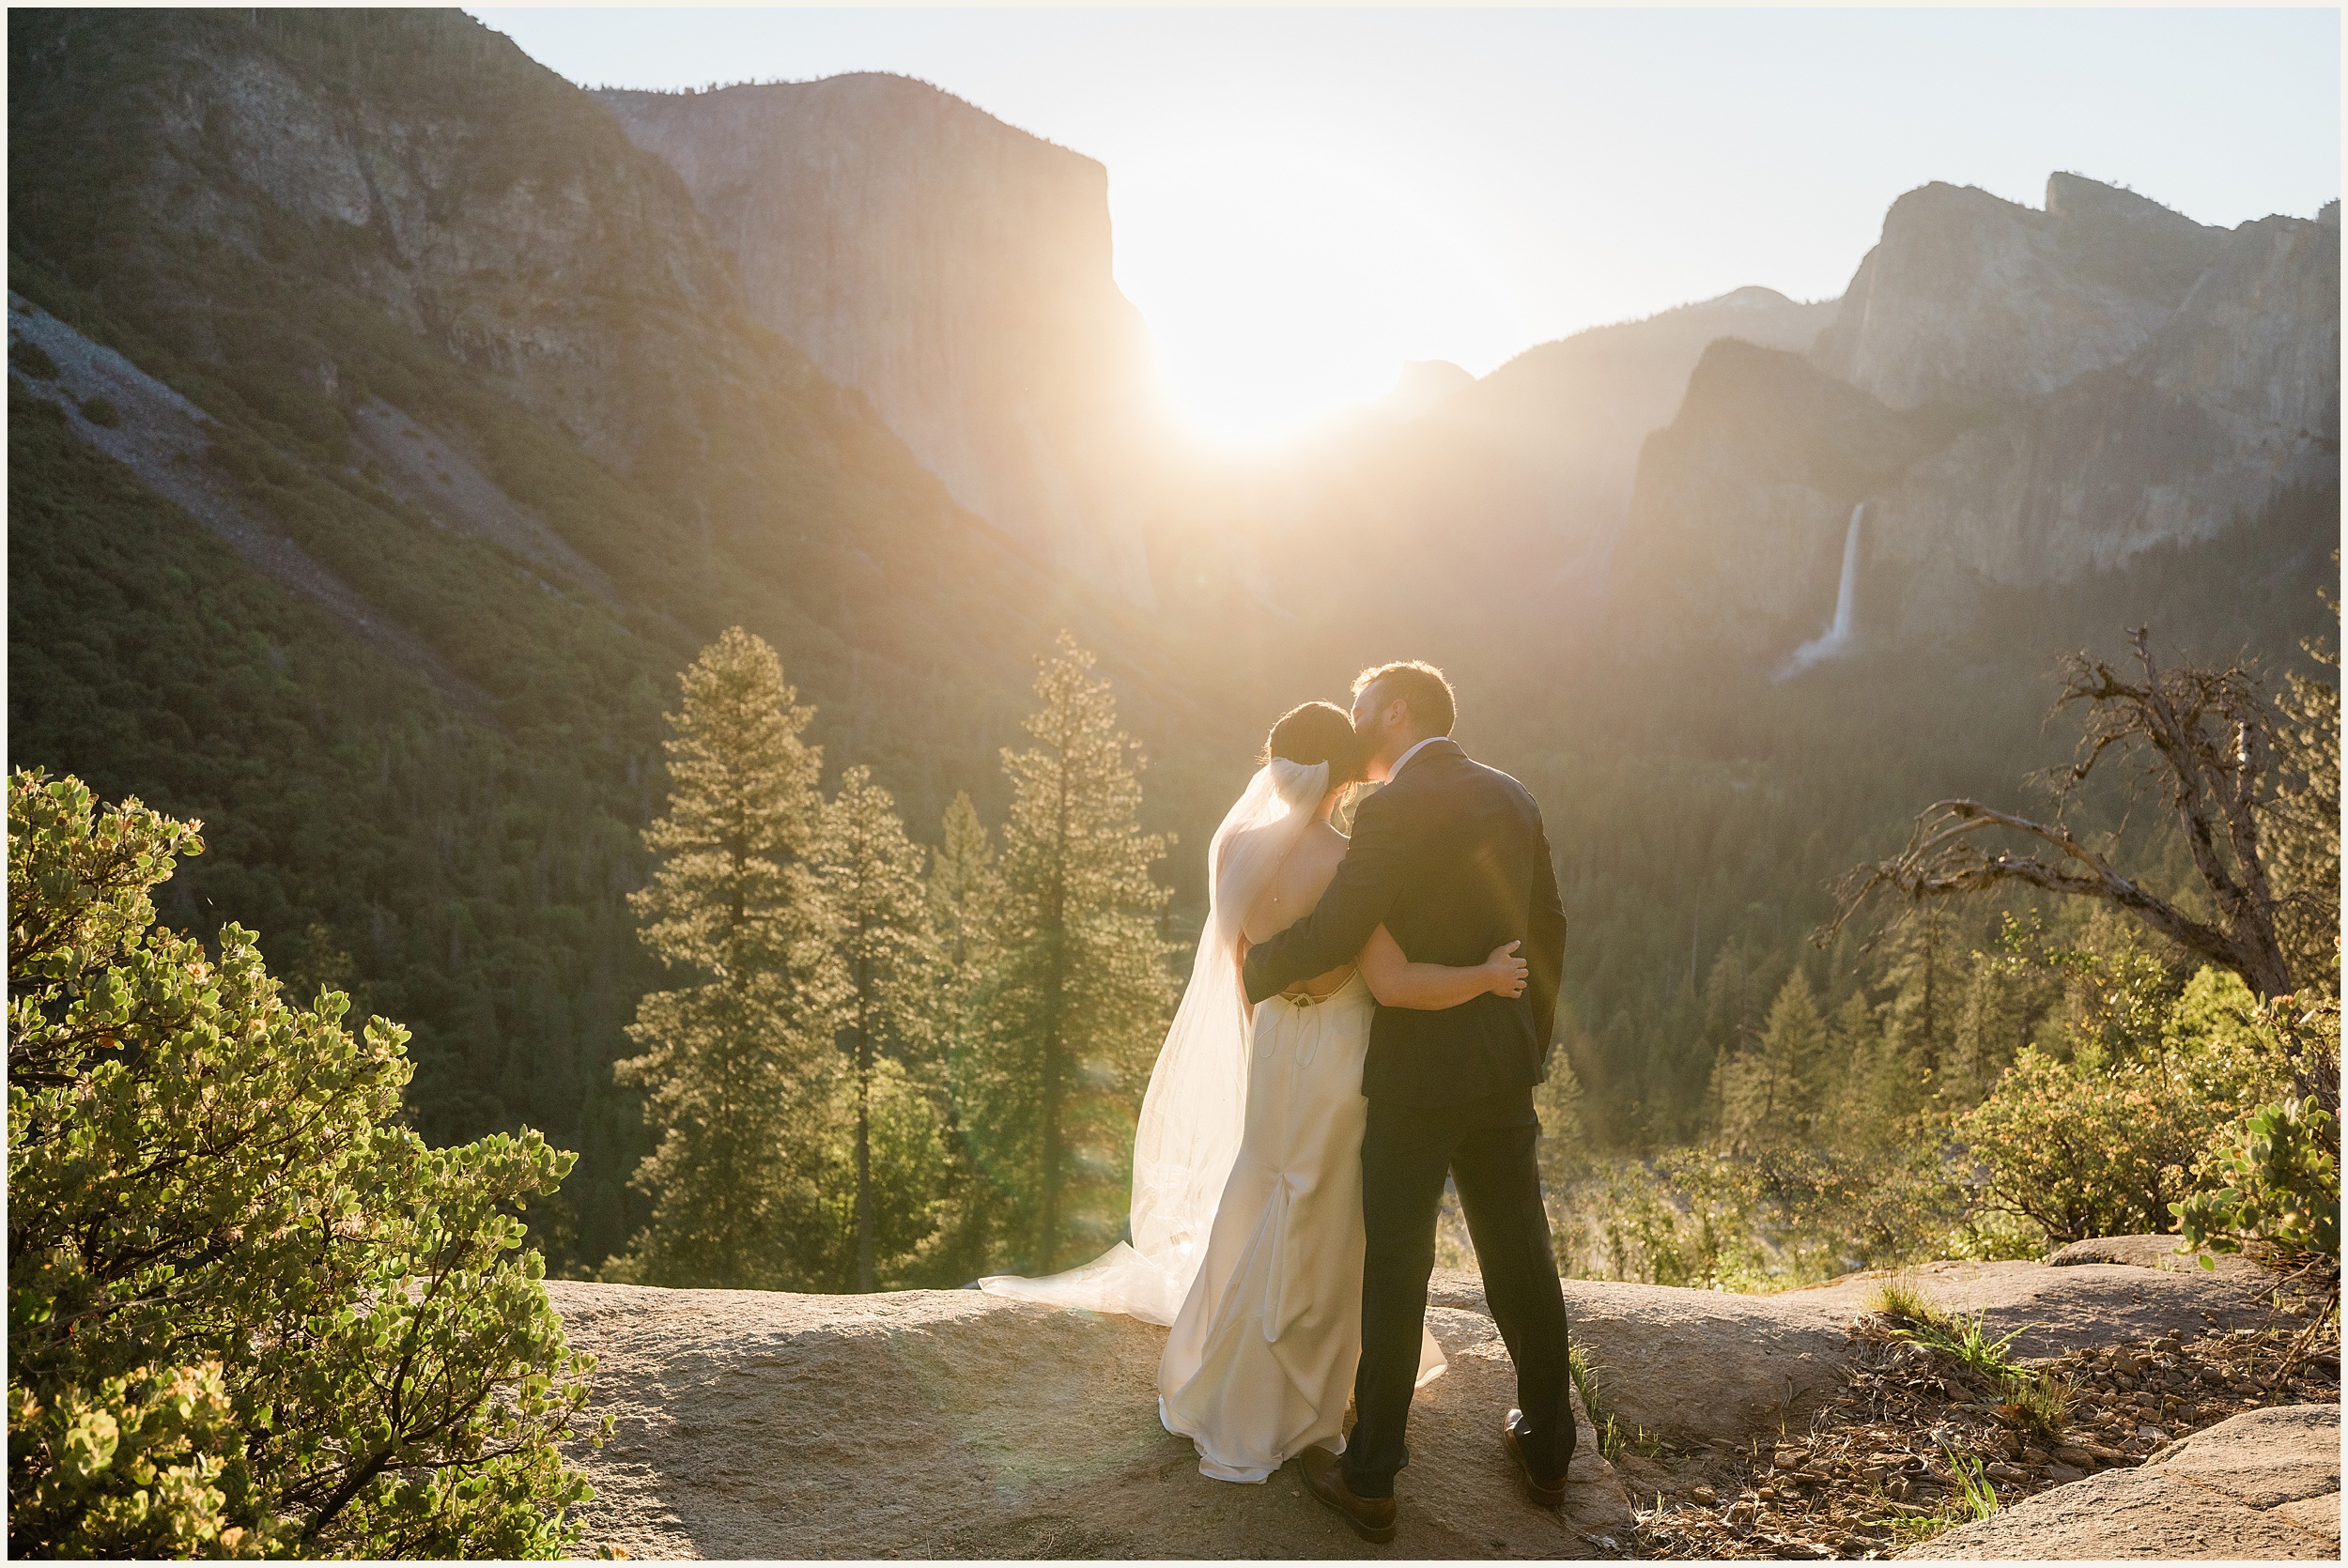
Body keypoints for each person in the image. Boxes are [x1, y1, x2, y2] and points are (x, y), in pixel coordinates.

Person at [979, 699, 1527, 1501]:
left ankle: (1223, 1376)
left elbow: (1240, 971)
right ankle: (1297, 1399)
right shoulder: (1349, 859)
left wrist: (1274, 1024)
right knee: (1321, 1208)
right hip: (1340, 1054)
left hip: (1272, 1042)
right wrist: (1485, 977)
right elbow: (1389, 982)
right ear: (1341, 776)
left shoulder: (1236, 847)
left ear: (1274, 766)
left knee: (1262, 1182)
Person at [1241, 661, 1574, 1544]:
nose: (1352, 727)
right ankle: (1549, 1452)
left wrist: (1256, 967)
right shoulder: (1514, 796)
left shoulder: (1389, 811)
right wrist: (1527, 1043)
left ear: (1395, 711)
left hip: (1416, 1079)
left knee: (1397, 1266)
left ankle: (1373, 1478)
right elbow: (1549, 924)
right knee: (1521, 1258)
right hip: (1501, 1071)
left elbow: (1344, 926)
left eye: (1360, 710)